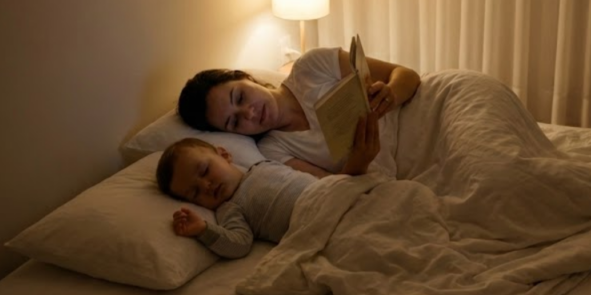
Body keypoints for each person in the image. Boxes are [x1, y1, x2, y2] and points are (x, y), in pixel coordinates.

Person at [177, 46, 420, 178]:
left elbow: (407, 76)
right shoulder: (273, 150)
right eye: (234, 122)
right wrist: (358, 163)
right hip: (403, 172)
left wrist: (390, 94)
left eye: (240, 96)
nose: (249, 114)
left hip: (418, 120)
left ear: (246, 78)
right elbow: (331, 188)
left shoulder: (311, 66)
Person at [155, 117, 378, 258]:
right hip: (322, 227)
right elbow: (239, 244)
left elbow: (321, 182)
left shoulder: (263, 164)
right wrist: (204, 229)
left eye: (204, 171)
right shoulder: (229, 209)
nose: (206, 185)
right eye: (195, 193)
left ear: (223, 154)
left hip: (339, 200)